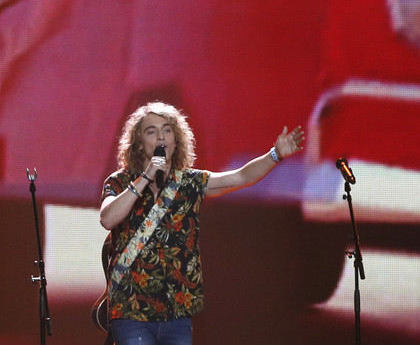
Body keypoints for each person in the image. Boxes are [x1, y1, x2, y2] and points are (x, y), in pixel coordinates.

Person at [99, 101, 304, 345]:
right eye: (151, 131)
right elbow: (108, 218)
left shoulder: (189, 183)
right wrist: (145, 177)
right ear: (139, 144)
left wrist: (275, 155)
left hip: (177, 314)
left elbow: (241, 177)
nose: (161, 136)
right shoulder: (120, 182)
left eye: (167, 130)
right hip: (131, 310)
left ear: (176, 141)